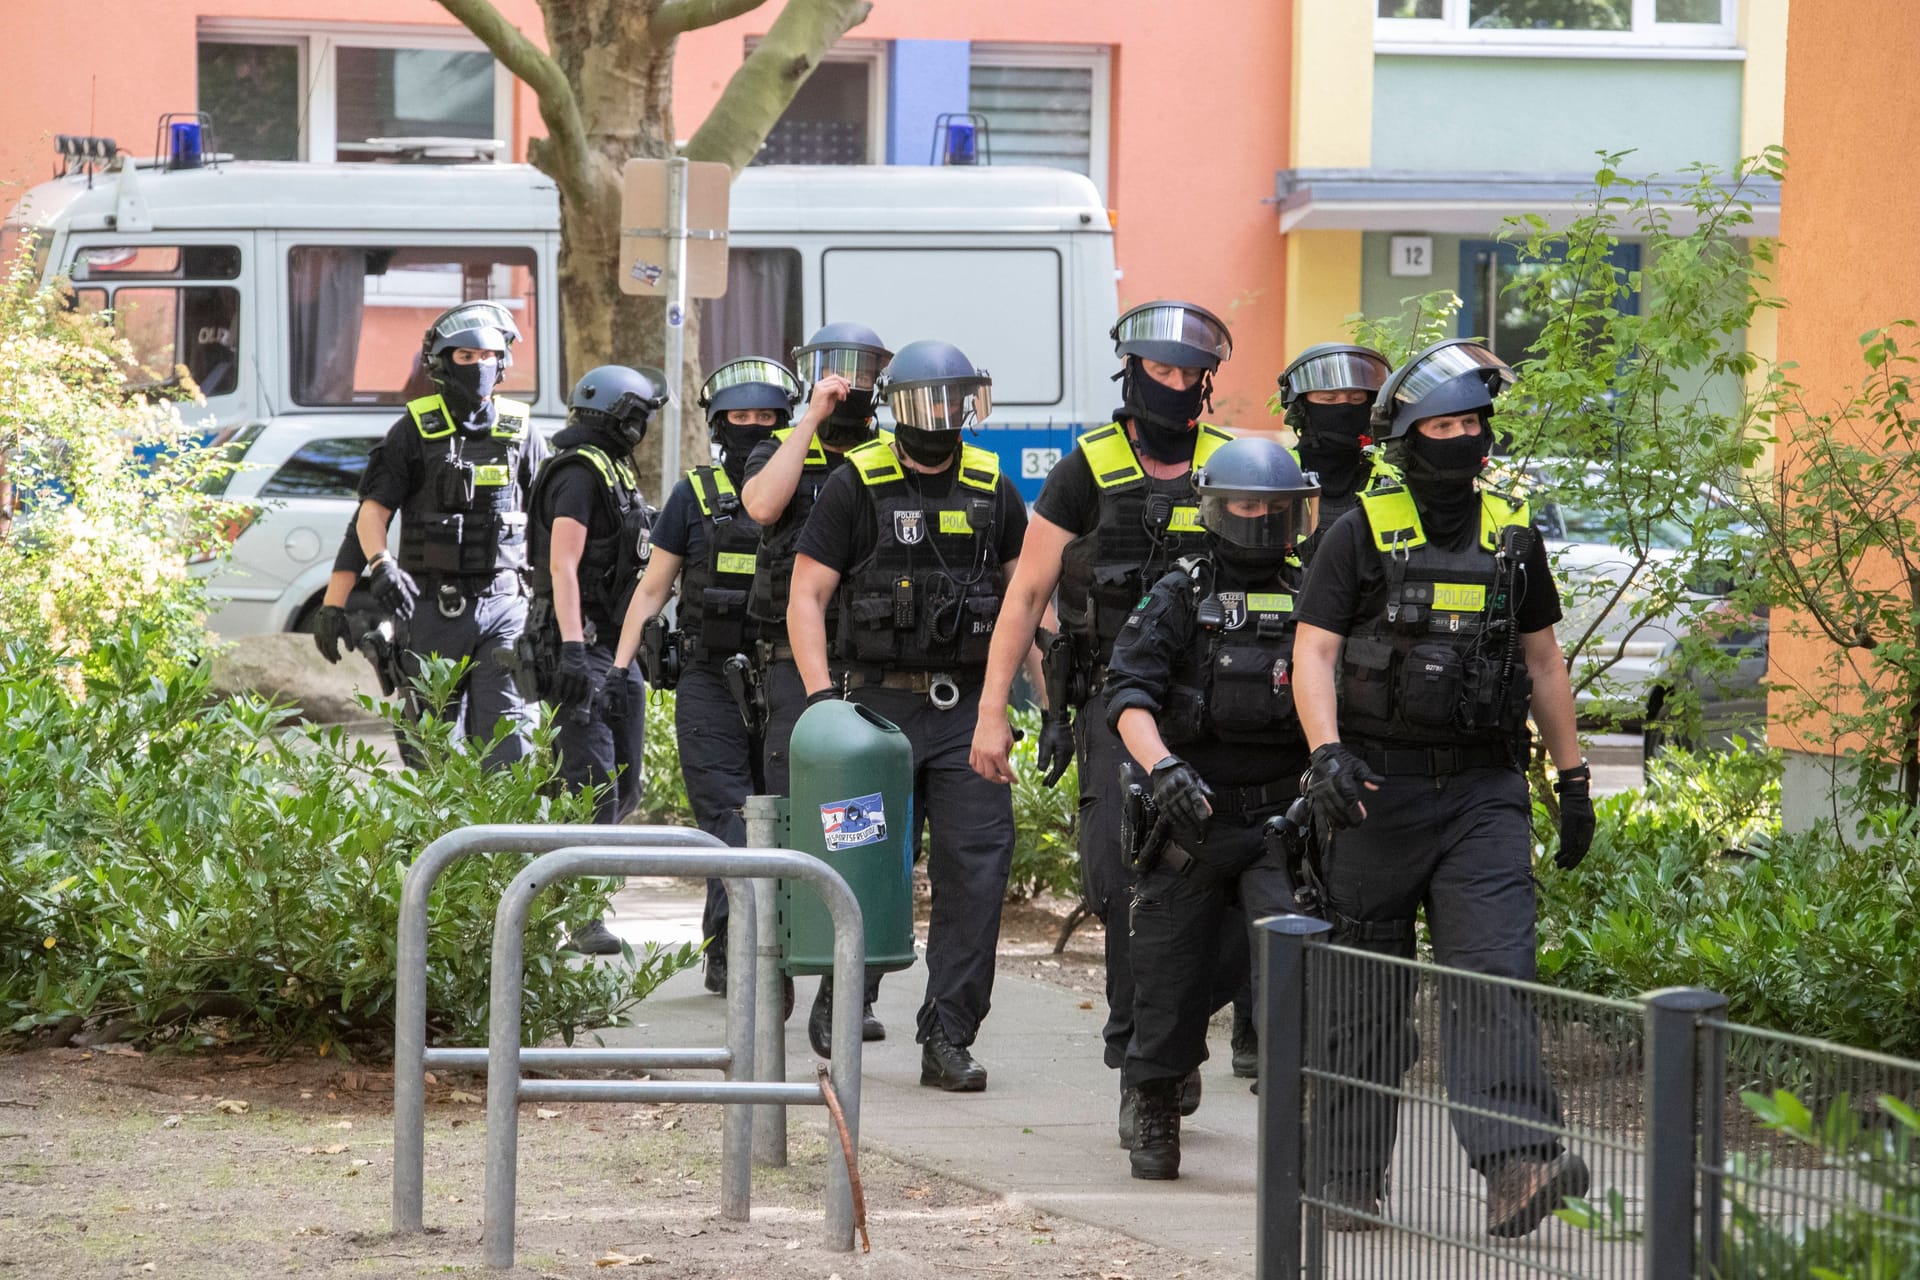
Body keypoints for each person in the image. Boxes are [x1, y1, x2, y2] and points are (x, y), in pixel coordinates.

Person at [1290, 338, 1597, 1238]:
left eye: (1473, 424)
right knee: (1366, 994)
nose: (1463, 441)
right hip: (1373, 791)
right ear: (1408, 440)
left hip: (1482, 792)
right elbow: (1314, 650)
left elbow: (1543, 662)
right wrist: (1326, 754)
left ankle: (1517, 1165)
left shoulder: (1513, 534)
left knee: (1495, 969)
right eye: (1445, 426)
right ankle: (1345, 1176)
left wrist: (1572, 779)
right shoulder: (1358, 532)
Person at [969, 299, 1246, 1137]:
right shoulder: (1084, 468)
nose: (1171, 387)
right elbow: (1025, 594)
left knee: (1228, 889)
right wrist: (995, 715)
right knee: (1119, 882)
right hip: (1113, 706)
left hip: (1220, 711)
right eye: (1156, 372)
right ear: (1131, 374)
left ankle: (1165, 1047)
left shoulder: (1235, 465)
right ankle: (1143, 1054)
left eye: (1185, 375)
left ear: (1205, 382)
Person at [787, 340, 1028, 1092]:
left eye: (955, 402)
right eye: (927, 403)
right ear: (895, 407)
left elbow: (1024, 603)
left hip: (968, 715)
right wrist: (827, 705)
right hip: (874, 714)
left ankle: (949, 1034)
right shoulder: (856, 483)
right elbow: (806, 597)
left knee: (976, 873)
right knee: (861, 860)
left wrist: (1031, 709)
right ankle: (846, 983)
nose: (942, 418)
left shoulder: (994, 487)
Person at [1102, 437, 1322, 1180]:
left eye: (1274, 507)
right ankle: (1153, 1098)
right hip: (1189, 818)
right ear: (1217, 508)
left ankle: (1305, 1115)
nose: (1260, 519)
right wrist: (1159, 764)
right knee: (1167, 975)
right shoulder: (1179, 592)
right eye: (1246, 505)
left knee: (1297, 967)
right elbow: (1127, 694)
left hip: (1279, 825)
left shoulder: (1315, 593)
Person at [614, 357, 802, 994]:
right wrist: (619, 668)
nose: (754, 427)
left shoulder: (808, 490)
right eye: (741, 417)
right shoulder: (691, 497)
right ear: (720, 425)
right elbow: (651, 589)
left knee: (779, 813)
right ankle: (736, 947)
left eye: (768, 417)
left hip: (785, 677)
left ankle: (756, 944)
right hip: (708, 679)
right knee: (727, 814)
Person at [740, 322, 892, 1055]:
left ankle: (846, 987)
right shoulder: (783, 447)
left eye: (863, 371)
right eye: (836, 368)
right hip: (790, 668)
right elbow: (763, 507)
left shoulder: (888, 457)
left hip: (862, 662)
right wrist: (810, 419)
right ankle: (778, 965)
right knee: (801, 819)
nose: (849, 381)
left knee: (860, 825)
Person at [352, 301, 545, 767]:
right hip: (432, 608)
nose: (478, 366)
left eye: (488, 357)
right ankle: (443, 840)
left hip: (505, 606)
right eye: (466, 357)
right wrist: (381, 566)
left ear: (502, 363)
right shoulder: (412, 432)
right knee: (431, 750)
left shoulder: (522, 433)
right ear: (442, 362)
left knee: (509, 745)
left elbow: (549, 521)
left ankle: (505, 842)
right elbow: (371, 513)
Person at [519, 366, 662, 955]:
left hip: (613, 647)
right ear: (619, 416)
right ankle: (580, 914)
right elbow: (563, 567)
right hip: (581, 645)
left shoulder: (612, 469)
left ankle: (561, 884)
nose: (647, 425)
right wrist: (575, 650)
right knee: (591, 781)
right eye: (642, 414)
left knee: (625, 784)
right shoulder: (578, 473)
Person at [1277, 343, 1391, 565]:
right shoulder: (1275, 473)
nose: (1344, 408)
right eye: (1328, 400)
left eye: (1356, 399)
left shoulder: (1392, 479)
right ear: (1302, 407)